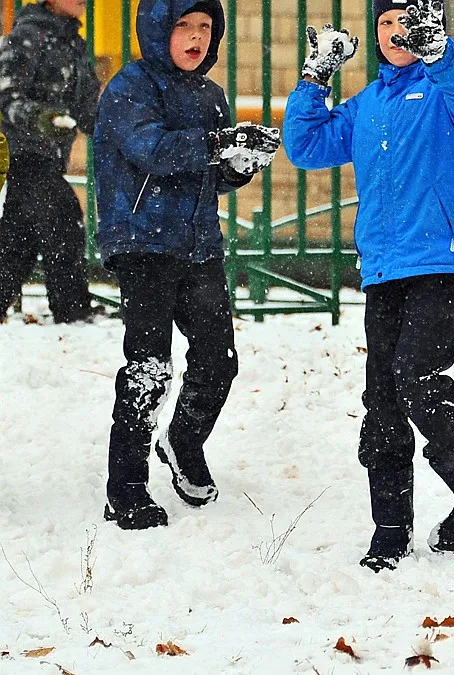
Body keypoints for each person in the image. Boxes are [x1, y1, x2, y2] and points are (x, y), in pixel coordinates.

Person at [283, 0, 454, 571]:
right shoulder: (369, 104)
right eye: (387, 23)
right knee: (384, 401)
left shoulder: (451, 90)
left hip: (442, 257)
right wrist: (316, 77)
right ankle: (390, 529)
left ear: (432, 29)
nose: (397, 32)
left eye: (409, 22)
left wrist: (439, 50)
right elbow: (307, 146)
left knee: (418, 379)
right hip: (385, 267)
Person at [93, 0, 280, 530]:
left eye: (206, 28)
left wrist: (238, 163)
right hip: (143, 241)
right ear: (157, 31)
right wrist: (218, 144)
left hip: (198, 245)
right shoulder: (131, 86)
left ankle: (184, 440)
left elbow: (211, 174)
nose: (197, 38)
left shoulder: (212, 95)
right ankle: (125, 488)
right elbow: (150, 149)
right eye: (184, 27)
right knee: (148, 369)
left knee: (218, 359)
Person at [0, 0, 102, 324]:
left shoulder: (74, 41)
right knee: (64, 218)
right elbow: (7, 96)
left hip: (52, 155)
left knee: (19, 237)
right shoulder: (29, 35)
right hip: (24, 153)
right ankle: (72, 309)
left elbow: (86, 106)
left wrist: (111, 126)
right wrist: (41, 118)